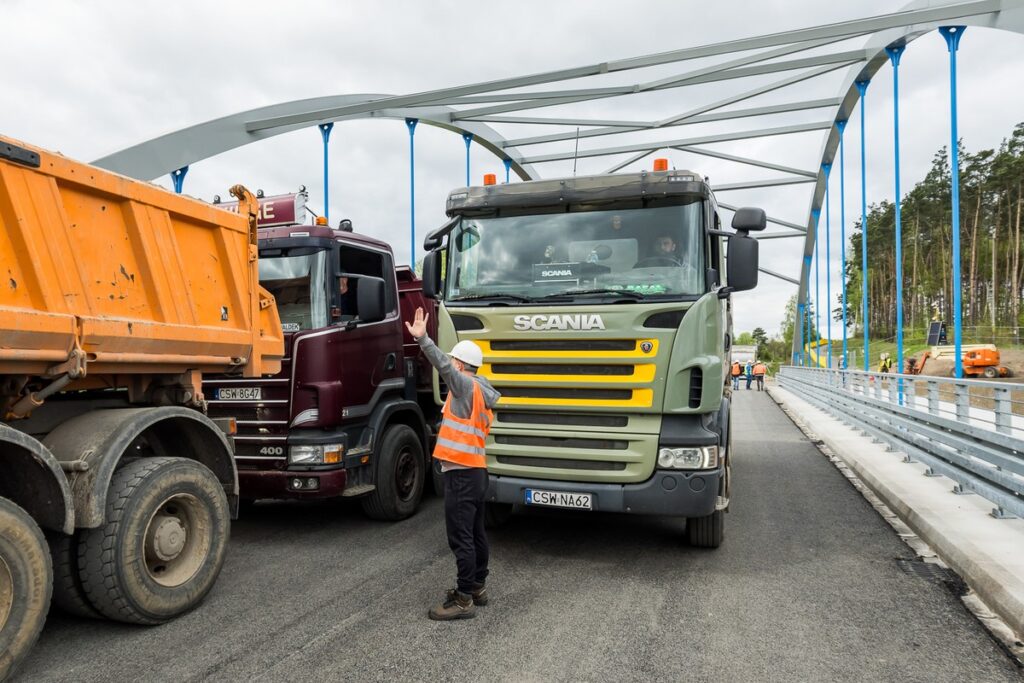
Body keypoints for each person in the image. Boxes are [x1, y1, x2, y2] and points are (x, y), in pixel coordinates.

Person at [405, 307, 501, 621]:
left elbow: (443, 366)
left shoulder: (464, 387)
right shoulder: (482, 392)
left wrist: (423, 340)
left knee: (460, 536)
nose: (451, 369)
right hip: (476, 472)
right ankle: (477, 587)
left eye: (454, 363)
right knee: (474, 533)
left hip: (461, 473)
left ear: (460, 364)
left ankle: (462, 600)